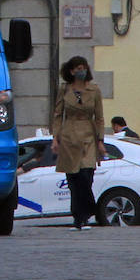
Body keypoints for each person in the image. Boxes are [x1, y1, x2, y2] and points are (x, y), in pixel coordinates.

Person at [51, 55, 105, 231]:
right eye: (77, 68)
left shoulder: (94, 90)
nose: (81, 71)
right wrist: (55, 138)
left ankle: (88, 211)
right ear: (71, 71)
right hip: (69, 136)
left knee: (86, 175)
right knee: (73, 178)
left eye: (84, 67)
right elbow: (58, 115)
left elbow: (99, 117)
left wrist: (100, 140)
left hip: (88, 135)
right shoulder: (64, 89)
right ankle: (78, 217)